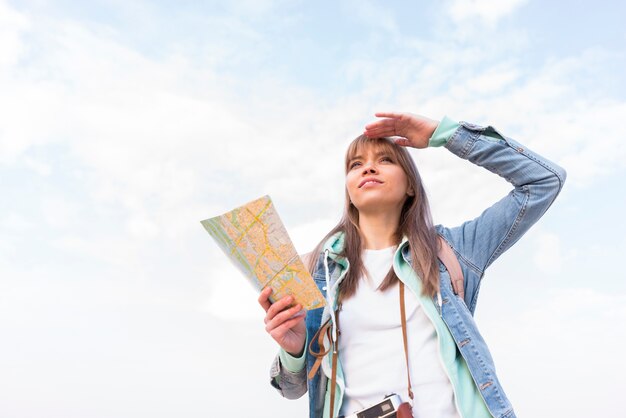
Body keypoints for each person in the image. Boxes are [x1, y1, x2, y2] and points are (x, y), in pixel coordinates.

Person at [258, 111, 566, 418]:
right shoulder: (317, 269)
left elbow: (543, 182)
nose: (368, 168)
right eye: (356, 164)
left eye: (386, 160)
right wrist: (295, 349)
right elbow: (292, 387)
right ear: (349, 191)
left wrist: (443, 134)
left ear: (410, 186)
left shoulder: (453, 252)